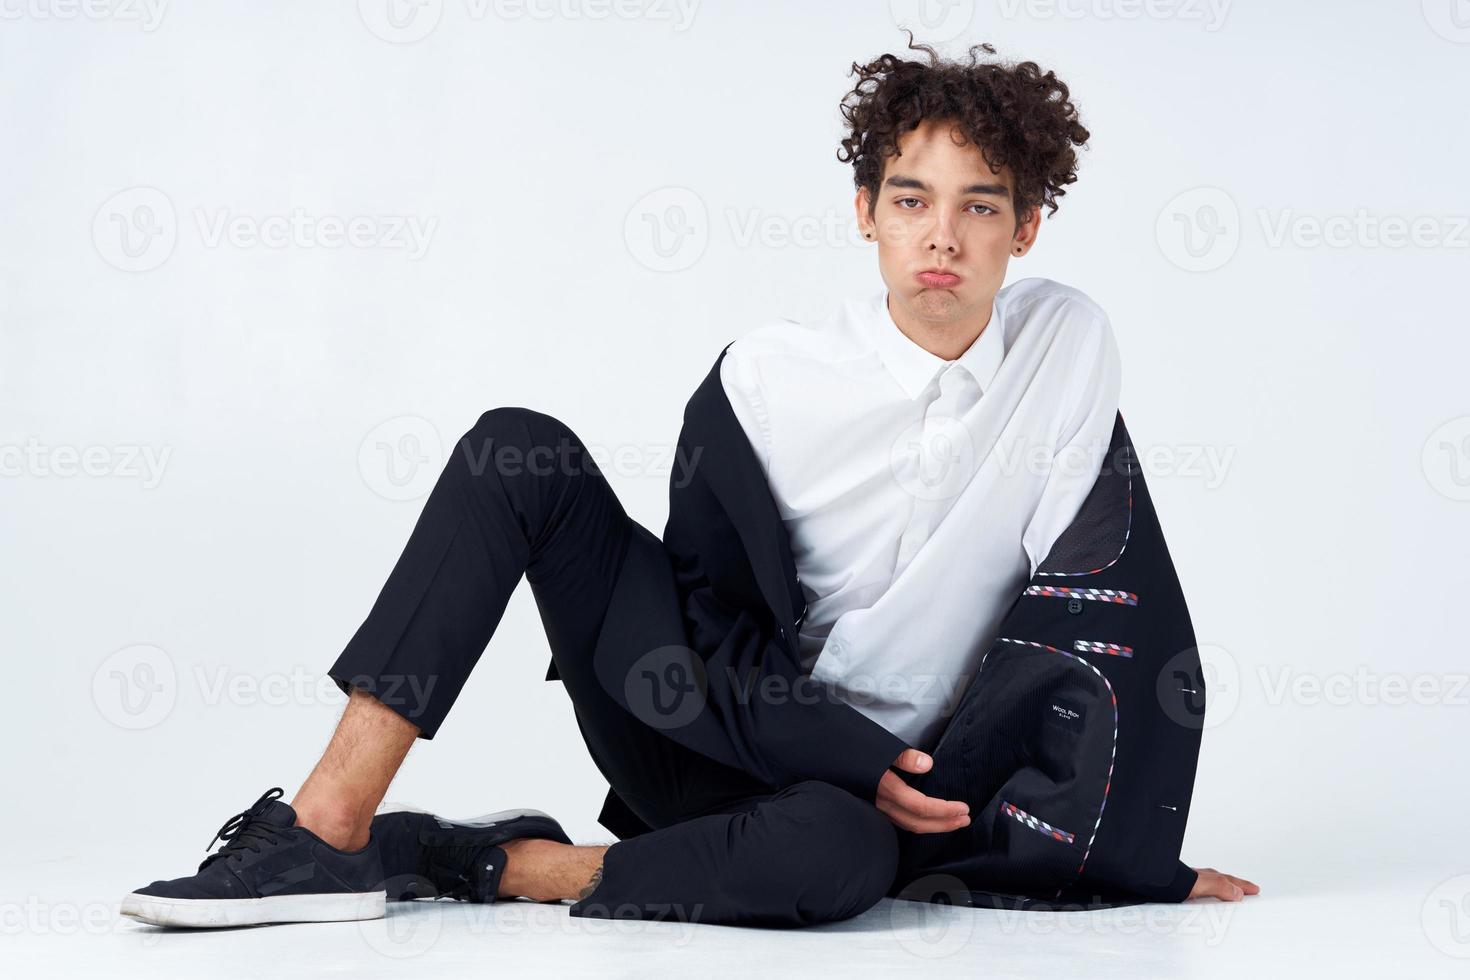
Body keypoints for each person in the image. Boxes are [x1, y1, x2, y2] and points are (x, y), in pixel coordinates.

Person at [120, 35, 1258, 930]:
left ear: (1028, 228)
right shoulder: (766, 381)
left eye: (981, 205)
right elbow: (707, 636)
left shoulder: (1067, 347)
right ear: (866, 214)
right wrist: (848, 748)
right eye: (911, 199)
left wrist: (1133, 853)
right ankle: (324, 825)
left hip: (859, 802)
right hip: (704, 724)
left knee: (846, 862)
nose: (942, 237)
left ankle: (489, 859)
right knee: (517, 448)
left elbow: (1112, 610)